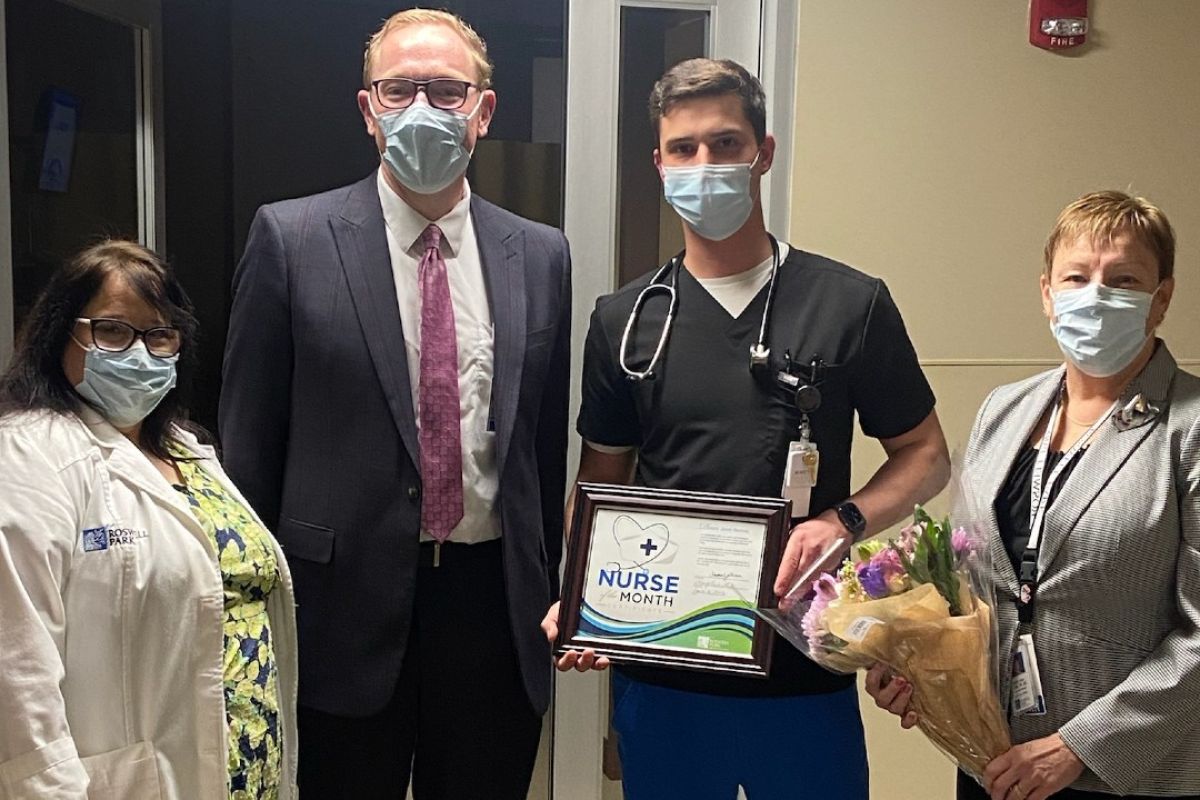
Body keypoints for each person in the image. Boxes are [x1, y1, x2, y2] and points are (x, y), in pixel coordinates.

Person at [541, 58, 949, 800]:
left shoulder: (849, 303)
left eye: (726, 144)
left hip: (804, 674)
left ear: (763, 150)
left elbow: (925, 455)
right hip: (663, 680)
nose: (706, 164)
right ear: (659, 164)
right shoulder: (624, 321)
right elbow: (599, 483)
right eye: (686, 149)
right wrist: (581, 597)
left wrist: (843, 521)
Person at [218, 9, 571, 799]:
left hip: (490, 609)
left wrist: (550, 588)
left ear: (483, 111)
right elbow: (248, 449)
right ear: (367, 109)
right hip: (337, 612)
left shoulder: (540, 253)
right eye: (399, 88)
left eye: (446, 91)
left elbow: (540, 452)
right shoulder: (291, 238)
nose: (422, 108)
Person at [866, 190, 1200, 800]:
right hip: (993, 757)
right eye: (1077, 276)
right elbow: (969, 574)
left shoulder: (1190, 427)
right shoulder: (1006, 409)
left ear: (1162, 299)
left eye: (1123, 278)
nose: (1095, 295)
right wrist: (915, 660)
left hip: (1129, 777)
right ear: (1047, 293)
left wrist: (1080, 746)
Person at [0, 240, 299, 799]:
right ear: (60, 334)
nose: (139, 353)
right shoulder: (28, 457)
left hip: (247, 771)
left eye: (159, 335)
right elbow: (16, 675)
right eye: (112, 331)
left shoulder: (188, 450)